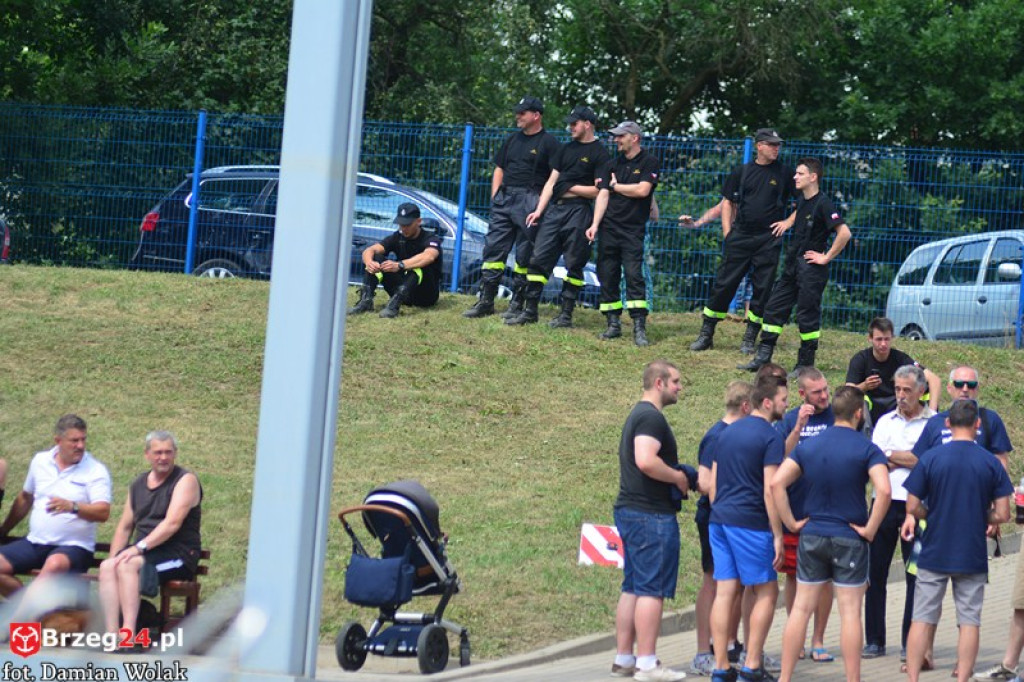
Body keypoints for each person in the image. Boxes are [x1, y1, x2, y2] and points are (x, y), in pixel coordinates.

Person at [771, 385, 891, 682]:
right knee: (850, 612)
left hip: (812, 534)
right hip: (849, 536)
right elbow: (885, 490)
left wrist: (791, 523)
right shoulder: (867, 448)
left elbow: (776, 484)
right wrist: (870, 529)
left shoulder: (809, 446)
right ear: (859, 413)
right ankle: (852, 679)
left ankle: (785, 677)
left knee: (800, 608)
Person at [901, 399, 1013, 682]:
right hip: (971, 551)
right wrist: (982, 515)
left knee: (921, 617)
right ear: (978, 425)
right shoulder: (990, 462)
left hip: (934, 548)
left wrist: (931, 513)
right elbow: (1003, 513)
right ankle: (962, 677)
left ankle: (912, 677)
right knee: (969, 620)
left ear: (948, 423)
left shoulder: (930, 458)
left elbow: (912, 505)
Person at [610, 360, 688, 682]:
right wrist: (678, 478)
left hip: (633, 511)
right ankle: (646, 664)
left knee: (633, 586)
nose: (680, 387)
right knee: (651, 589)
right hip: (650, 515)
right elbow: (645, 460)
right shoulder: (650, 418)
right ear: (659, 383)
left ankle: (624, 659)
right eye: (676, 382)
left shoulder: (639, 414)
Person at [707, 375, 788, 682]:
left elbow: (713, 484)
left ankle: (721, 667)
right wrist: (777, 534)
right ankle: (752, 665)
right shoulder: (770, 436)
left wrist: (720, 511)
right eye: (783, 400)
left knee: (725, 591)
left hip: (719, 520)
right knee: (767, 590)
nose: (786, 405)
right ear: (767, 403)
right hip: (750, 522)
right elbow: (770, 489)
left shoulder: (726, 432)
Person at [739, 158, 852, 373]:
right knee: (774, 307)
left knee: (807, 315)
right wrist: (787, 223)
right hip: (792, 265)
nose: (795, 177)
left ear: (813, 177)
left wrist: (826, 257)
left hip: (811, 269)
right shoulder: (803, 200)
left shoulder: (824, 203)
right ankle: (763, 357)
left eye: (800, 174)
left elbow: (844, 233)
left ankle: (805, 364)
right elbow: (798, 213)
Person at [689, 128, 796, 355]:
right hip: (741, 236)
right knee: (724, 284)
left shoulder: (785, 173)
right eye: (772, 144)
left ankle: (750, 337)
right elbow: (727, 202)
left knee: (762, 289)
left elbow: (805, 201)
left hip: (769, 239)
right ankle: (706, 334)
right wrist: (728, 233)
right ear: (759, 146)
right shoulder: (742, 172)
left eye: (778, 144)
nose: (776, 148)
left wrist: (787, 222)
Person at [507, 106, 609, 328]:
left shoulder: (600, 153)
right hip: (555, 210)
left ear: (587, 124)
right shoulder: (565, 149)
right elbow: (551, 183)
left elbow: (599, 191)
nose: (570, 127)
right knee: (538, 259)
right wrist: (539, 211)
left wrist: (569, 187)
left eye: (574, 123)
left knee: (574, 263)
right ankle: (530, 311)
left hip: (579, 212)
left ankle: (566, 315)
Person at [862, 364, 935, 661]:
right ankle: (874, 640)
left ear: (921, 391)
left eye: (907, 390)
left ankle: (909, 642)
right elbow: (875, 461)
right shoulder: (885, 422)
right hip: (883, 502)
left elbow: (925, 461)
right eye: (897, 389)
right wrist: (906, 458)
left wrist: (893, 456)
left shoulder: (933, 423)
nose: (901, 395)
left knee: (914, 575)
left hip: (917, 506)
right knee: (875, 573)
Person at [463, 96, 559, 319]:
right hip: (505, 199)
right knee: (493, 250)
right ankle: (486, 301)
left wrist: (539, 205)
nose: (518, 116)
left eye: (522, 113)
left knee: (525, 255)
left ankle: (517, 304)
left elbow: (554, 179)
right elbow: (499, 168)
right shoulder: (512, 140)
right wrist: (496, 196)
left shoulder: (550, 143)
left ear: (536, 115)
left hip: (530, 199)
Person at [99, 430, 202, 638]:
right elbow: (125, 526)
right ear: (147, 454)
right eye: (158, 452)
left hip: (178, 555)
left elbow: (172, 523)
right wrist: (114, 558)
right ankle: (111, 633)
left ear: (175, 453)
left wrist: (138, 548)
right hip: (146, 553)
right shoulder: (138, 484)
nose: (163, 457)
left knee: (129, 565)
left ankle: (128, 634)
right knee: (108, 566)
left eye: (168, 452)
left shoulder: (185, 481)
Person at [0, 414, 111, 596]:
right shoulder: (40, 461)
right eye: (74, 440)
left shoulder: (95, 470)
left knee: (54, 564)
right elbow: (25, 498)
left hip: (75, 547)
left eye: (83, 439)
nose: (80, 445)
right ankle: (35, 610)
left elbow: (103, 512)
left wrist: (73, 507)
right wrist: (4, 530)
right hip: (36, 542)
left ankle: (23, 613)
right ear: (58, 441)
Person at [691, 380, 754, 676]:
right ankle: (704, 651)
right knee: (713, 582)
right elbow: (704, 482)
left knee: (733, 584)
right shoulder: (717, 436)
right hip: (715, 517)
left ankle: (728, 643)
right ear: (746, 406)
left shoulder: (733, 434)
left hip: (730, 517)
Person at [774, 367, 836, 663]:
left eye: (825, 389)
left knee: (825, 579)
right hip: (797, 512)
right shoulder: (789, 420)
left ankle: (818, 639)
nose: (823, 396)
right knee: (794, 577)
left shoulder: (837, 416)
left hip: (829, 513)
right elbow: (779, 459)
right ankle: (796, 637)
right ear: (802, 394)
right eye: (816, 392)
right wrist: (798, 427)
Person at [586, 121, 660, 347]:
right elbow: (603, 195)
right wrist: (594, 224)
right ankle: (613, 324)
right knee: (607, 275)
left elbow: (642, 190)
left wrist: (616, 187)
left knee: (633, 275)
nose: (616, 140)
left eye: (620, 136)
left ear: (634, 138)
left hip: (633, 230)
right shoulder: (611, 164)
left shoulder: (649, 161)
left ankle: (639, 327)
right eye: (615, 136)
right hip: (609, 228)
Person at [347, 202, 443, 318]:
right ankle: (365, 301)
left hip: (425, 295)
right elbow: (370, 250)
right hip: (402, 290)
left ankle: (393, 307)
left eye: (407, 224)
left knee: (419, 266)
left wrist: (400, 265)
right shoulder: (397, 237)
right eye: (401, 224)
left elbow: (429, 256)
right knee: (376, 257)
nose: (404, 228)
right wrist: (369, 263)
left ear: (418, 221)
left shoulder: (430, 238)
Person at [913, 366, 1013, 471]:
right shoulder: (935, 422)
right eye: (959, 384)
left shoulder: (990, 419)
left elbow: (1001, 462)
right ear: (949, 388)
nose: (965, 389)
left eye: (971, 385)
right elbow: (921, 462)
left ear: (977, 389)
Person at [845, 317, 941, 426]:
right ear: (870, 338)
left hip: (897, 404)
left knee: (922, 390)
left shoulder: (901, 358)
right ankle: (865, 434)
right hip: (870, 408)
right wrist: (864, 386)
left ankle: (919, 428)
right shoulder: (860, 359)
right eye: (879, 339)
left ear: (892, 338)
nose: (883, 344)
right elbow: (847, 393)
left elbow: (935, 380)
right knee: (855, 399)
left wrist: (932, 414)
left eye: (887, 339)